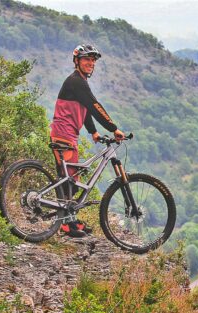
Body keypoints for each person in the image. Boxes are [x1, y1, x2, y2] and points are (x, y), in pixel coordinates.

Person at [50, 44, 125, 237]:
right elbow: (93, 106)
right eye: (86, 59)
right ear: (77, 61)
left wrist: (93, 132)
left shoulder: (79, 81)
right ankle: (67, 225)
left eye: (93, 60)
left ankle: (70, 221)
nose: (90, 63)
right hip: (64, 134)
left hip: (67, 134)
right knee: (69, 181)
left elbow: (83, 110)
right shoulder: (77, 81)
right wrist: (113, 128)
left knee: (71, 179)